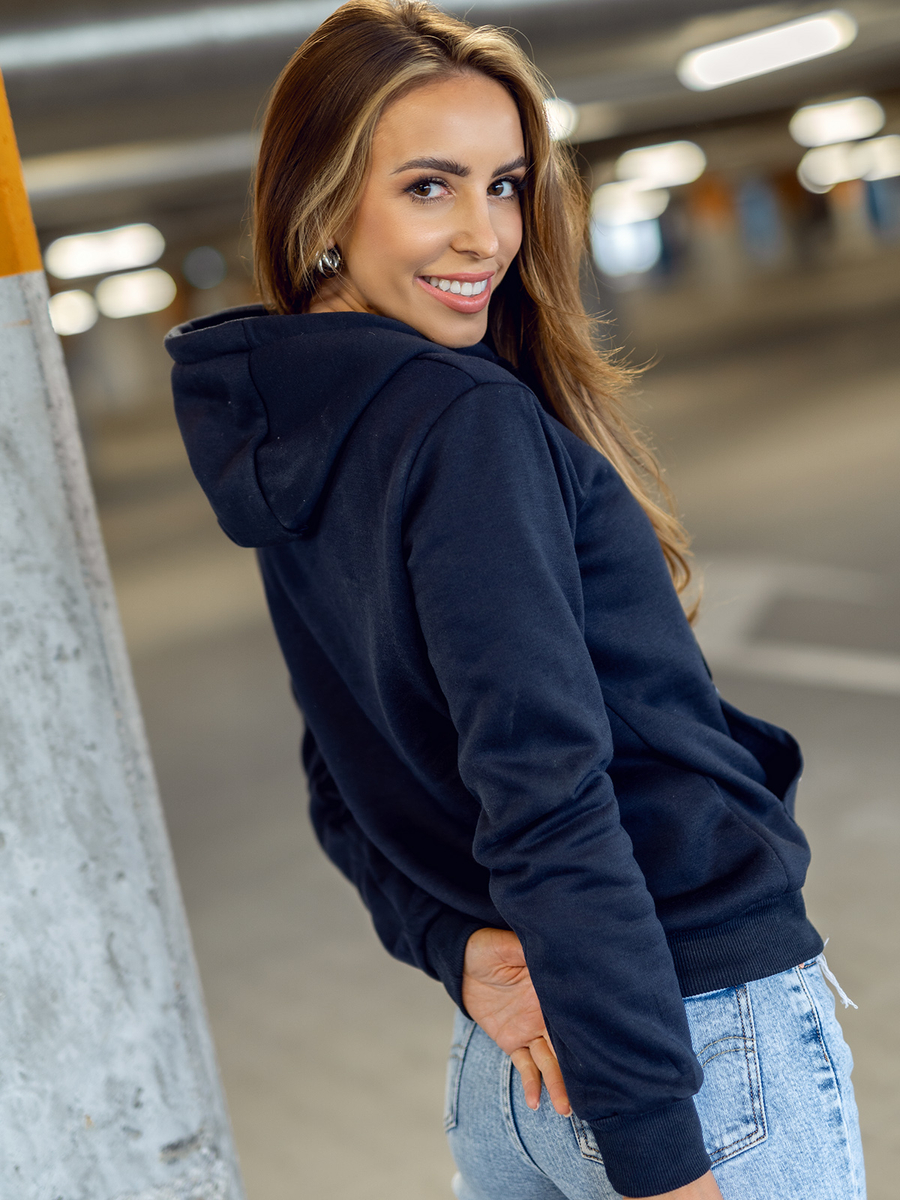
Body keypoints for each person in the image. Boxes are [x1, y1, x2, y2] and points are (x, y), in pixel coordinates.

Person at [165, 2, 865, 1196]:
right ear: (321, 207)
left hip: (512, 1064)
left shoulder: (299, 431)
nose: (484, 234)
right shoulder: (463, 422)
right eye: (427, 187)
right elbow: (548, 794)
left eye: (505, 186)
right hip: (683, 1049)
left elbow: (342, 777)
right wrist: (659, 1153)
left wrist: (453, 943)